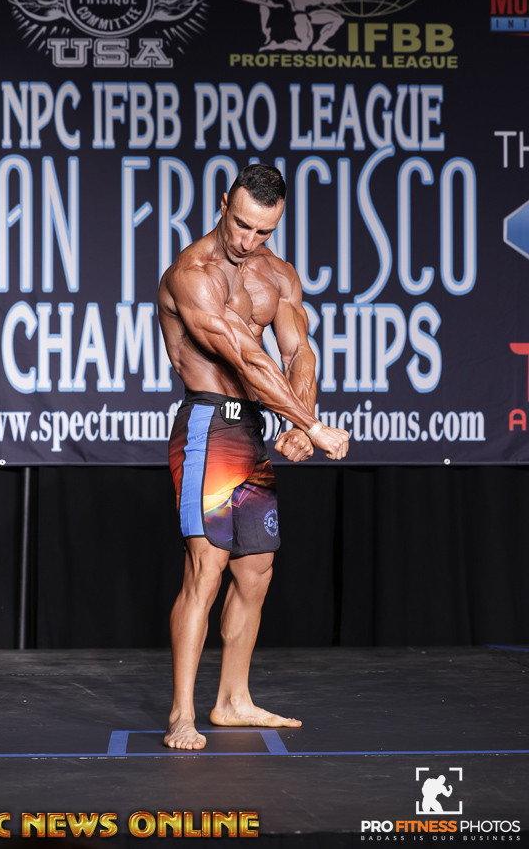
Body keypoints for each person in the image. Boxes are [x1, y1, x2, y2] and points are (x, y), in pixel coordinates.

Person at [157, 163, 350, 750]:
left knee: (256, 570)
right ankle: (182, 714)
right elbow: (245, 356)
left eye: (263, 231)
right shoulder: (192, 274)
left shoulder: (279, 275)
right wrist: (311, 425)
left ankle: (233, 700)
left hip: (252, 430)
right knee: (206, 570)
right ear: (223, 203)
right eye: (241, 224)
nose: (248, 240)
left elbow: (299, 352)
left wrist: (299, 420)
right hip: (207, 425)